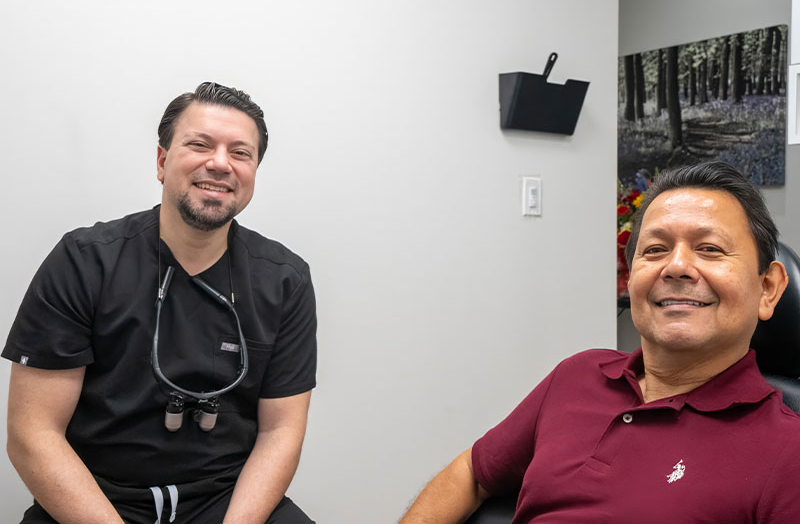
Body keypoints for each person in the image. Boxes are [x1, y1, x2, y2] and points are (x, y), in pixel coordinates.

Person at [400, 162, 800, 523]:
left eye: (709, 249)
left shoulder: (788, 452)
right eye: (655, 250)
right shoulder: (578, 375)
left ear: (768, 287)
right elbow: (472, 474)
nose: (676, 266)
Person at [4, 82, 317, 524]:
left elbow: (281, 431)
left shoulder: (285, 279)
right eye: (200, 144)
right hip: (94, 502)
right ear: (162, 160)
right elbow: (32, 433)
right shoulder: (84, 261)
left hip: (226, 503)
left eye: (241, 153)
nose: (220, 163)